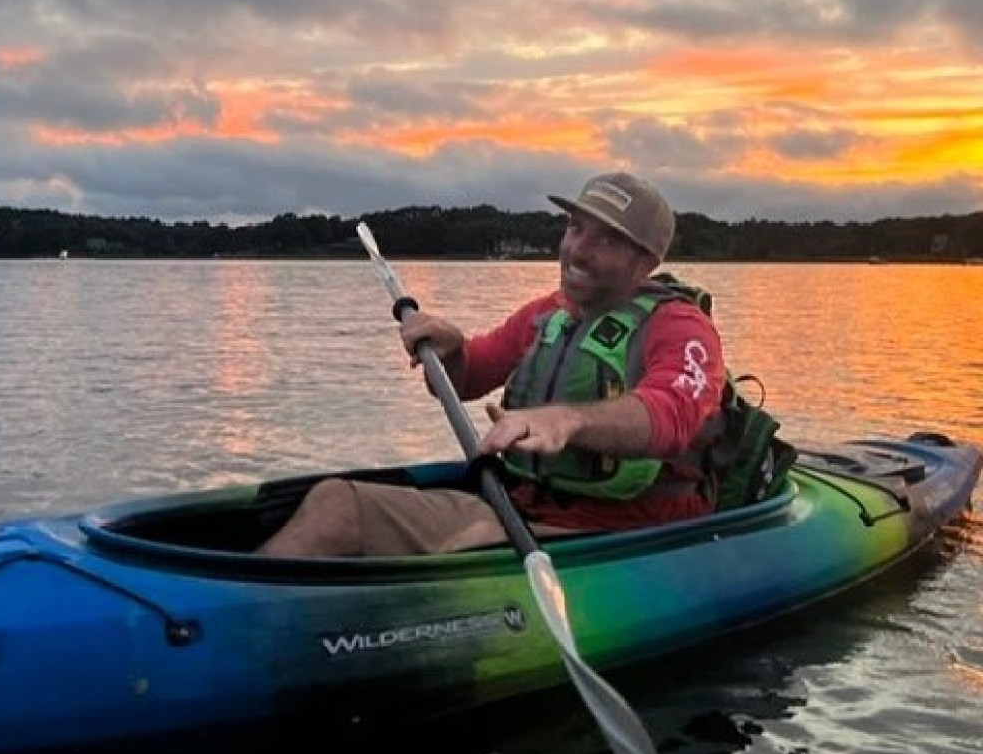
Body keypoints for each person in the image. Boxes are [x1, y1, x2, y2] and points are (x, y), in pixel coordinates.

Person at [256, 171, 726, 557]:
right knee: (337, 502)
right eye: (575, 228)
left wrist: (568, 420)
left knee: (474, 545)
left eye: (605, 239)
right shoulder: (548, 315)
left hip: (626, 534)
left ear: (645, 261)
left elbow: (672, 415)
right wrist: (453, 351)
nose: (577, 249)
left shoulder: (681, 328)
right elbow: (465, 379)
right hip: (518, 511)